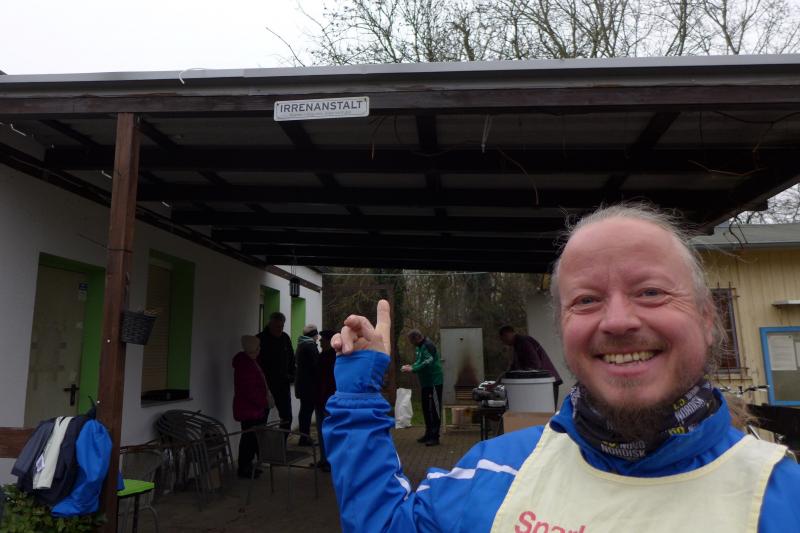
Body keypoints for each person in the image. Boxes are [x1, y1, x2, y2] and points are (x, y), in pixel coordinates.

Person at [323, 204, 800, 532]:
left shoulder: (781, 497)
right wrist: (360, 391)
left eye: (651, 292)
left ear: (708, 319)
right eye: (587, 300)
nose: (617, 321)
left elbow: (527, 363)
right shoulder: (493, 471)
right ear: (564, 326)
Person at [499, 325, 563, 409]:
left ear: (508, 334)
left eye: (504, 339)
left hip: (546, 382)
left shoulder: (523, 342)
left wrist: (521, 375)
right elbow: (512, 368)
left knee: (546, 412)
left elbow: (535, 364)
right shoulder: (517, 345)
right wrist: (496, 383)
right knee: (541, 412)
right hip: (542, 383)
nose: (504, 342)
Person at [232, 335, 269, 479]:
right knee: (248, 439)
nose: (259, 349)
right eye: (257, 346)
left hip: (253, 408)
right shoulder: (245, 365)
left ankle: (248, 466)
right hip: (249, 409)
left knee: (252, 439)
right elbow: (250, 390)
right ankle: (244, 468)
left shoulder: (251, 362)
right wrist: (263, 402)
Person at [401, 330, 444, 446]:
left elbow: (428, 362)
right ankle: (428, 434)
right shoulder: (419, 347)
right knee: (426, 408)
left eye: (411, 341)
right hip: (425, 383)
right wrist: (411, 366)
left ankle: (435, 437)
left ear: (416, 338)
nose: (411, 343)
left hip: (434, 382)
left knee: (434, 409)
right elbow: (420, 361)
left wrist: (413, 369)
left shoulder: (428, 345)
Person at [256, 312, 295, 432]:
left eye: (282, 326)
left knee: (287, 418)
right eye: (277, 326)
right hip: (265, 386)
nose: (280, 329)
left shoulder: (285, 338)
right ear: (270, 324)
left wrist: (291, 375)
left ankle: (281, 442)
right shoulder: (260, 339)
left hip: (282, 385)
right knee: (261, 419)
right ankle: (262, 443)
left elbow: (291, 359)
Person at [314, 330, 337, 472]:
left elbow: (329, 381)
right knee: (321, 431)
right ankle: (324, 459)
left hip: (328, 399)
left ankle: (330, 461)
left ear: (330, 341)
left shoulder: (333, 357)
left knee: (328, 431)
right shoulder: (322, 356)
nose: (320, 341)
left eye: (323, 339)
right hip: (320, 398)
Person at [295, 324, 320, 446]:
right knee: (307, 412)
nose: (318, 337)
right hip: (309, 386)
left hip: (302, 385)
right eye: (317, 335)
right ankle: (304, 438)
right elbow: (316, 366)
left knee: (304, 411)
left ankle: (303, 437)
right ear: (313, 335)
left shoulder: (301, 344)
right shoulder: (310, 346)